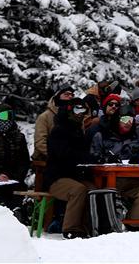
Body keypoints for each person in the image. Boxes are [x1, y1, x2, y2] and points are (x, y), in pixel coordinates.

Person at [89, 103, 139, 229]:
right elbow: (92, 158)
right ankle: (109, 224)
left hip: (131, 179)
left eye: (131, 120)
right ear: (116, 119)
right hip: (107, 180)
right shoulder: (102, 135)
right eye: (124, 119)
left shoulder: (138, 137)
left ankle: (134, 224)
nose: (128, 123)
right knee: (110, 192)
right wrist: (107, 159)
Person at [44, 97, 97, 239]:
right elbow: (64, 155)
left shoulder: (78, 130)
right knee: (78, 190)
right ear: (69, 110)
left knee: (94, 189)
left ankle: (92, 226)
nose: (80, 113)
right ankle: (70, 229)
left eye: (83, 110)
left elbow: (81, 154)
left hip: (74, 176)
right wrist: (88, 158)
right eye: (77, 109)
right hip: (57, 178)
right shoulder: (59, 130)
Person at [33, 85, 74, 162]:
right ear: (58, 96)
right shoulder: (44, 117)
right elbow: (40, 143)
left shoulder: (75, 117)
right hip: (45, 160)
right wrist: (56, 156)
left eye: (72, 95)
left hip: (69, 160)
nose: (70, 97)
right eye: (66, 94)